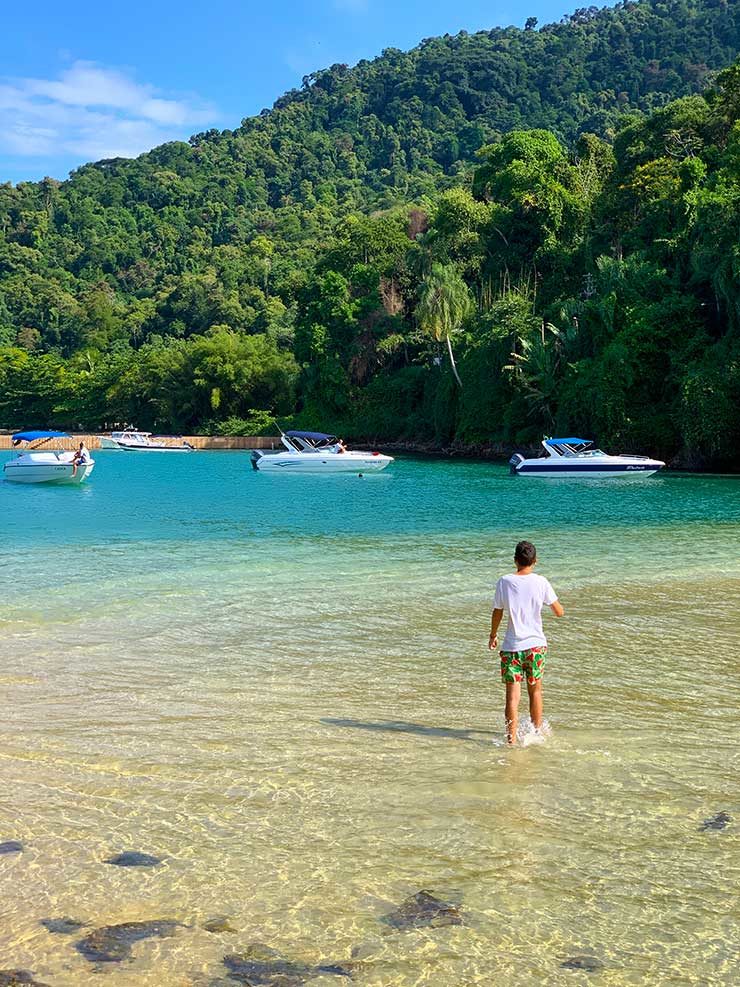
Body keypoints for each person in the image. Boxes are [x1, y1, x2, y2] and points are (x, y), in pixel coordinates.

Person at [488, 540, 564, 745]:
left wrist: (493, 635)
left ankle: (511, 740)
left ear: (515, 560)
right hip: (536, 646)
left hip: (512, 647)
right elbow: (559, 611)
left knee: (512, 697)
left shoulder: (504, 581)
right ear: (535, 561)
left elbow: (498, 611)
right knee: (535, 691)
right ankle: (536, 732)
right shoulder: (541, 582)